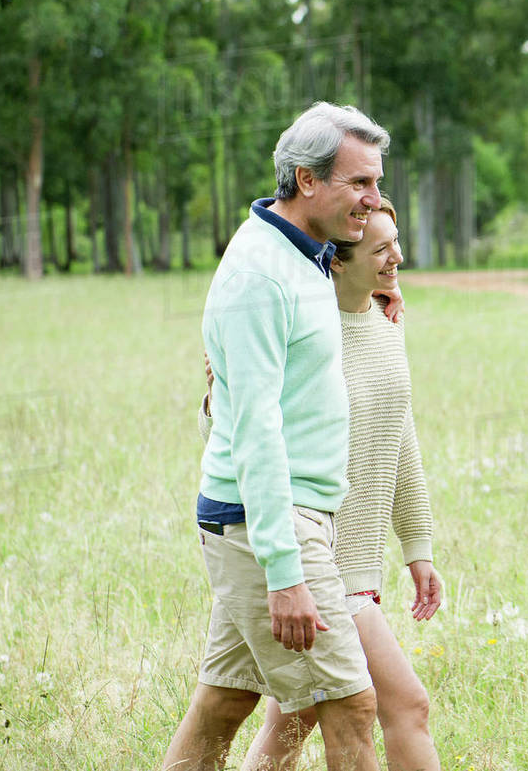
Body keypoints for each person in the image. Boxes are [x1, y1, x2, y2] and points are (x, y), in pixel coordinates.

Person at [162, 102, 389, 771]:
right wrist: (285, 573)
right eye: (360, 183)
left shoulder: (305, 254)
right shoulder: (260, 274)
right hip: (269, 521)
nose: (374, 200)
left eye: (377, 182)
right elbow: (256, 429)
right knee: (351, 705)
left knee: (223, 704)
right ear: (306, 179)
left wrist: (380, 302)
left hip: (271, 514)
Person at [199, 197, 444, 771]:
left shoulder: (386, 325)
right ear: (337, 260)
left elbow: (398, 436)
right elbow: (234, 418)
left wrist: (418, 545)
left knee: (287, 711)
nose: (397, 259)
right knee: (402, 704)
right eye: (381, 250)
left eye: (395, 244)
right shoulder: (300, 325)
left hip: (352, 555)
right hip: (312, 551)